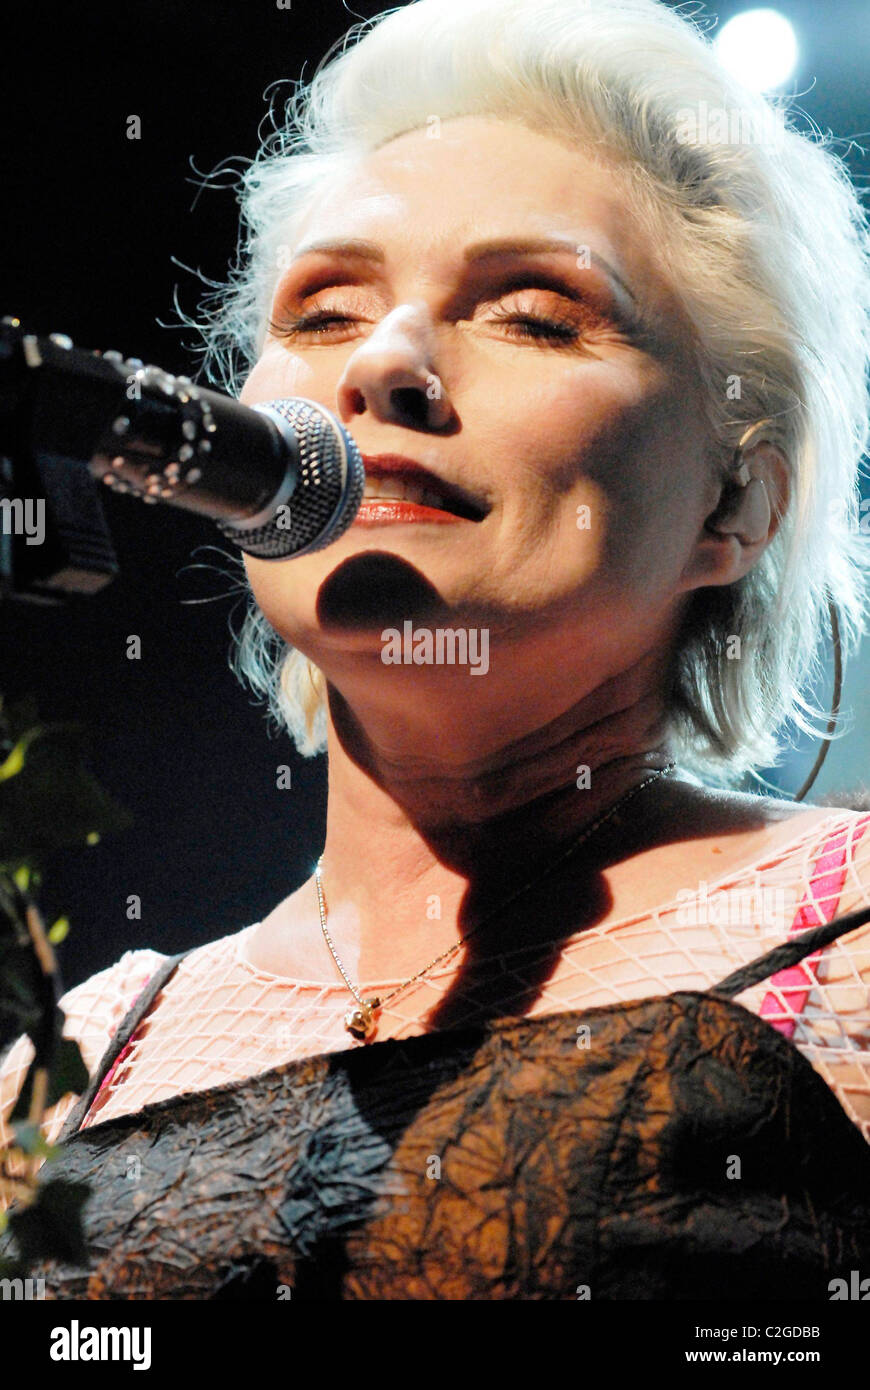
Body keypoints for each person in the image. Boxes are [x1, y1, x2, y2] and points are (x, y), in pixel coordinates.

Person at [2, 0, 870, 1300]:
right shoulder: (67, 1057)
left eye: (533, 314)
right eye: (326, 310)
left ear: (732, 504)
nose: (388, 363)